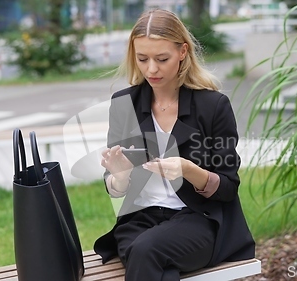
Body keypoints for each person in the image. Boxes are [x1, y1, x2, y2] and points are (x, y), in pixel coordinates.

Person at [94, 8, 255, 281]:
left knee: (145, 251)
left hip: (197, 219)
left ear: (182, 52)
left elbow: (228, 187)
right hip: (139, 221)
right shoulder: (125, 104)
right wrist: (120, 177)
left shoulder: (213, 106)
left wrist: (188, 170)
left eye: (162, 59)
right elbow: (115, 187)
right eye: (142, 59)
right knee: (146, 254)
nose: (151, 69)